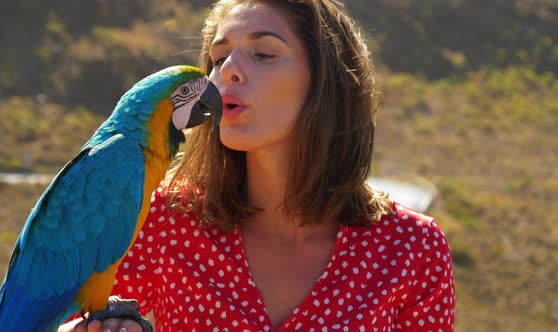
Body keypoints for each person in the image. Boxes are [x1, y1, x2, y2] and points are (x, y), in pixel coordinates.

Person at [60, 0, 455, 331]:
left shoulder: (412, 250)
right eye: (217, 57)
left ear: (326, 80)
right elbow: (66, 319)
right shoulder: (162, 218)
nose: (225, 70)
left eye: (264, 53)